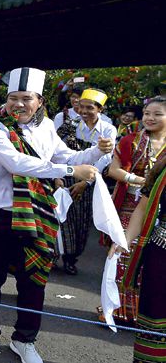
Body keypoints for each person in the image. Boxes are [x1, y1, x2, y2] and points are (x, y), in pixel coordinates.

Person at [0, 67, 113, 363]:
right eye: (13, 98)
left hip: (34, 214)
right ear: (5, 101)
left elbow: (67, 155)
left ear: (39, 100)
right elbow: (19, 164)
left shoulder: (46, 129)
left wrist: (95, 152)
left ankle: (25, 339)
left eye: (25, 98)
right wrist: (70, 171)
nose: (19, 104)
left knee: (33, 282)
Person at [104, 96, 166, 324]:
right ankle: (119, 308)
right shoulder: (130, 141)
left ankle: (146, 311)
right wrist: (139, 180)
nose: (150, 118)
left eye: (157, 114)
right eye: (147, 113)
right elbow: (114, 170)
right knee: (123, 254)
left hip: (162, 211)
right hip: (132, 206)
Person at [55, 88, 117, 275]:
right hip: (65, 174)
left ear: (100, 109)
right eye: (80, 107)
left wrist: (85, 182)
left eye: (89, 108)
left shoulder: (108, 129)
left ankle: (71, 258)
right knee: (60, 218)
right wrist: (56, 176)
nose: (83, 111)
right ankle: (52, 255)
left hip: (90, 179)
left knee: (81, 222)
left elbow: (105, 158)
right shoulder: (69, 125)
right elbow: (55, 152)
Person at [113, 151, 166, 362]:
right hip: (161, 257)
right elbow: (143, 209)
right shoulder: (162, 169)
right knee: (154, 320)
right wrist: (123, 241)